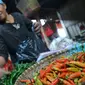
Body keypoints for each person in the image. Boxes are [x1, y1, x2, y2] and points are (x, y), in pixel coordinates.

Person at [0, 0, 48, 69]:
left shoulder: (18, 16)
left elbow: (32, 27)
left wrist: (36, 26)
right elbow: (2, 54)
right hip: (26, 67)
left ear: (4, 5)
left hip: (42, 56)